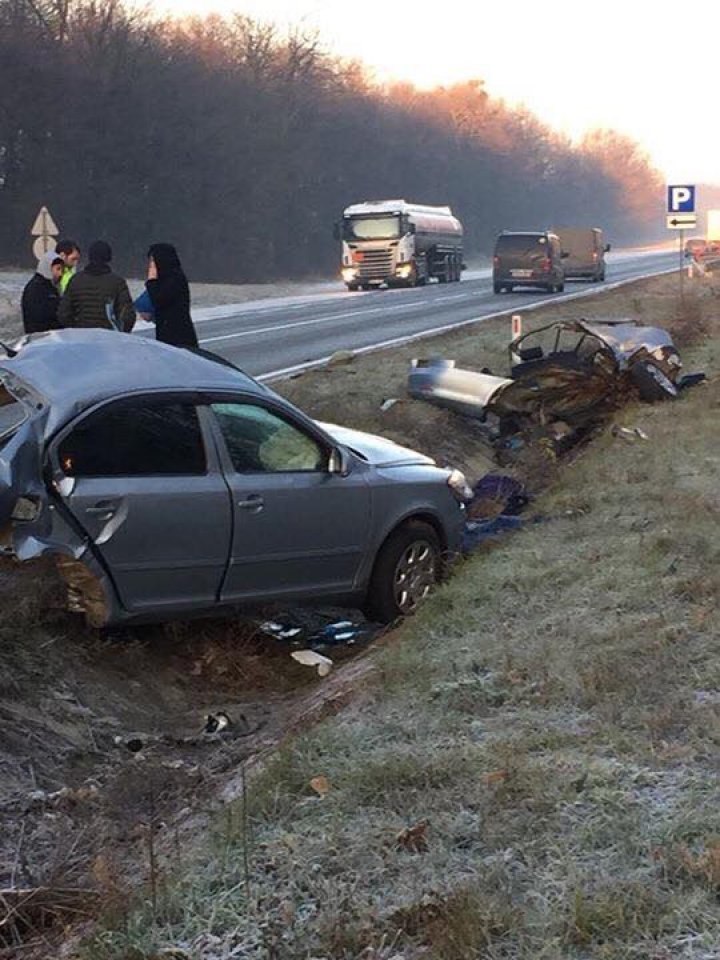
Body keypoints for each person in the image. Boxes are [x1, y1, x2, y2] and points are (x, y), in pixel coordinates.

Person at [58, 240, 135, 332]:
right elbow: (127, 315)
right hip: (108, 335)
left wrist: (74, 329)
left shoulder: (76, 280)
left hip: (81, 334)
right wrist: (122, 333)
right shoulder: (117, 282)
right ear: (108, 257)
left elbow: (63, 313)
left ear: (89, 257)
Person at [144, 243, 198, 349]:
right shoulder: (168, 277)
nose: (151, 265)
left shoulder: (174, 278)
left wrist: (151, 280)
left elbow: (159, 298)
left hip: (178, 334)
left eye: (153, 261)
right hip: (168, 330)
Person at [21, 251, 65, 334]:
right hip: (41, 338)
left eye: (62, 270)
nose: (60, 274)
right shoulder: (37, 288)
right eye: (58, 269)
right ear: (47, 268)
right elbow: (44, 315)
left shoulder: (47, 286)